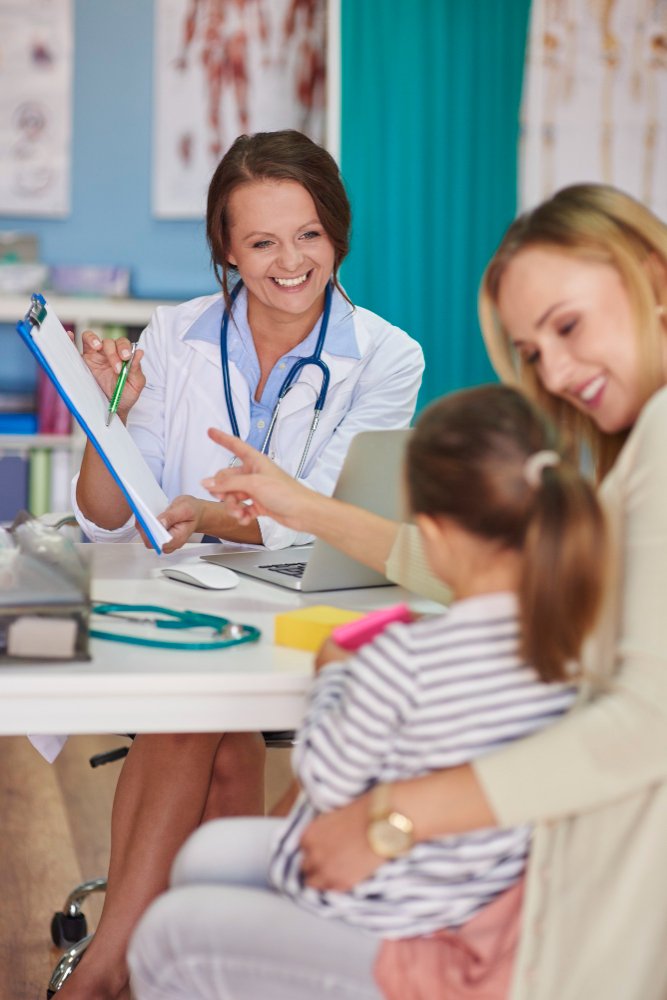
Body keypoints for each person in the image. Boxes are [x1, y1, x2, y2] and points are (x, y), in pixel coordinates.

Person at [128, 183, 667, 1000]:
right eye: (533, 352)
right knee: (209, 858)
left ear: (652, 277)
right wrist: (300, 507)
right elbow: (489, 572)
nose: (555, 373)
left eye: (567, 327)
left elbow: (646, 723)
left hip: (558, 912)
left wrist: (394, 820)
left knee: (172, 936)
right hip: (526, 858)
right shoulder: (635, 450)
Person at [52, 129, 423, 1000]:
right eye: (261, 242)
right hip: (178, 596)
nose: (290, 263)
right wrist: (110, 417)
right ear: (226, 248)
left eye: (308, 235)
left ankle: (116, 966)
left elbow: (329, 512)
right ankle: (188, 965)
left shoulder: (386, 356)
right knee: (205, 726)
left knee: (198, 716)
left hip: (306, 601)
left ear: (336, 233)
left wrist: (213, 513)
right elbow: (107, 515)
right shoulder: (174, 334)